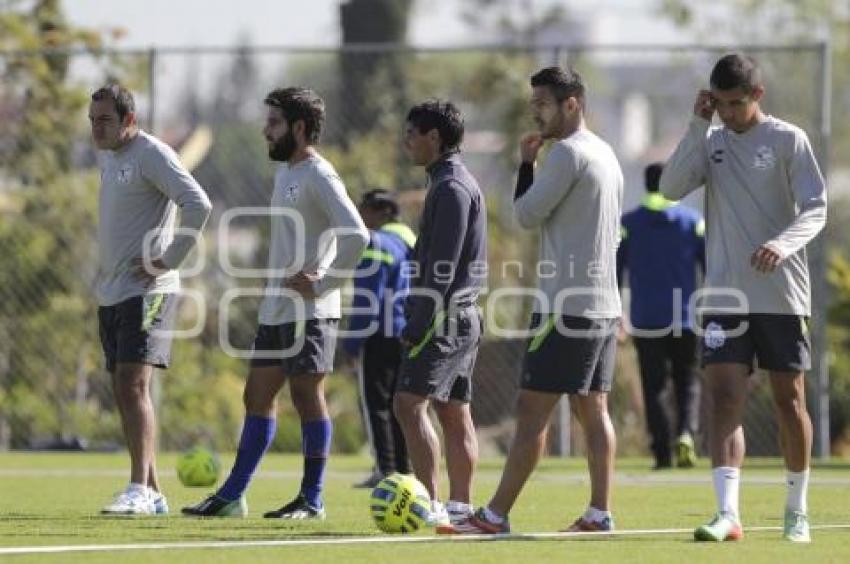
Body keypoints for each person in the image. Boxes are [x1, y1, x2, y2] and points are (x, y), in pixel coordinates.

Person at [660, 53, 826, 543]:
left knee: (788, 399)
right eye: (720, 104)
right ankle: (728, 514)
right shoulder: (709, 141)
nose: (727, 113)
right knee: (724, 396)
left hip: (782, 295)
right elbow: (670, 187)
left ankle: (796, 509)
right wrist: (696, 122)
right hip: (725, 295)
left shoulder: (788, 139)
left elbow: (816, 208)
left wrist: (781, 243)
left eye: (735, 104)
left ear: (757, 96)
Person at [183, 87, 368, 518]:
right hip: (278, 308)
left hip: (310, 311)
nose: (265, 131)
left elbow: (356, 234)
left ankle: (312, 499)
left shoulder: (320, 174)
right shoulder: (287, 172)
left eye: (274, 123)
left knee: (306, 395)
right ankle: (232, 496)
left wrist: (323, 283)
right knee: (256, 395)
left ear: (299, 128)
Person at [453, 66, 623, 535]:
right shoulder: (606, 153)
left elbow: (525, 215)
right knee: (594, 411)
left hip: (566, 307)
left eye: (543, 104)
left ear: (572, 104)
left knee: (532, 410)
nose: (537, 113)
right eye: (535, 105)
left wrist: (525, 165)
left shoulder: (567, 155)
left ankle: (494, 515)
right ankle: (599, 512)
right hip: (602, 305)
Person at [90, 84, 212, 515]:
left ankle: (138, 489)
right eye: (92, 120)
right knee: (124, 390)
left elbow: (198, 205)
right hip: (113, 292)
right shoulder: (108, 156)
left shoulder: (153, 153)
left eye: (104, 120)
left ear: (128, 119)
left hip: (150, 290)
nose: (95, 129)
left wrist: (168, 260)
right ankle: (154, 491)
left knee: (133, 384)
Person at [393, 100, 487, 531]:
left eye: (413, 132)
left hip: (444, 318)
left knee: (409, 404)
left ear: (434, 137)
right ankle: (461, 508)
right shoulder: (450, 181)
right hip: (461, 315)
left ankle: (431, 504)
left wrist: (417, 323)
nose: (406, 140)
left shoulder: (450, 188)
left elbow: (442, 268)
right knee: (453, 410)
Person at [617, 162, 705, 470]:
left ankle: (662, 452)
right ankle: (686, 433)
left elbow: (616, 274)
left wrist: (618, 315)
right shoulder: (693, 222)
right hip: (686, 318)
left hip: (646, 319)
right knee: (688, 382)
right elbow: (710, 267)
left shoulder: (629, 224)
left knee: (653, 388)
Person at [342, 189, 416, 488]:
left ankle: (385, 469)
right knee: (404, 404)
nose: (360, 216)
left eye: (364, 210)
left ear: (382, 212)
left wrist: (352, 341)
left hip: (380, 334)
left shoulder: (377, 242)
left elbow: (368, 297)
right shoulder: (411, 242)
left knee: (378, 404)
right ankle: (405, 468)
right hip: (409, 332)